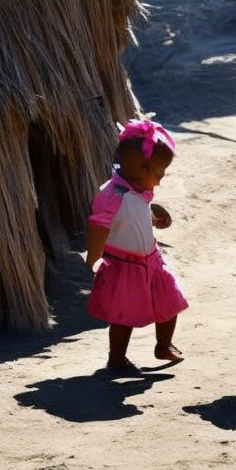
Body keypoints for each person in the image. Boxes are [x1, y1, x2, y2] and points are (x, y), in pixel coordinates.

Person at [86, 118, 187, 371]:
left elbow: (135, 216)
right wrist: (94, 259)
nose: (160, 181)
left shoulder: (139, 190)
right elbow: (98, 226)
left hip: (152, 260)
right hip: (124, 266)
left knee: (169, 302)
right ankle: (117, 359)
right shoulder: (112, 195)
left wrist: (154, 219)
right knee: (124, 316)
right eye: (159, 174)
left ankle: (163, 345)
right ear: (142, 168)